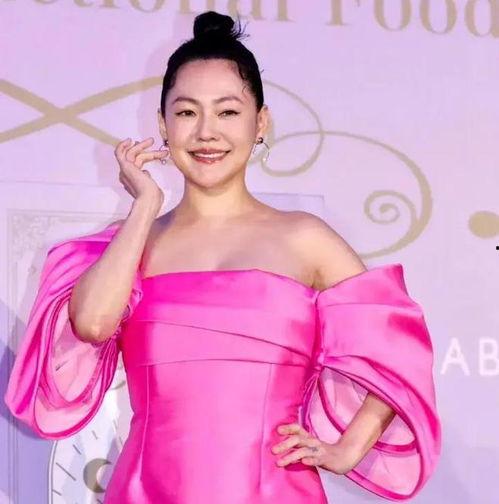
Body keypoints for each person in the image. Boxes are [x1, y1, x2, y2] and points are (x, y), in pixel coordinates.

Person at [4, 10, 441, 504]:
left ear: (261, 122)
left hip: (276, 491)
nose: (206, 132)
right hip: (148, 491)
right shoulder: (129, 246)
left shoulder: (304, 239)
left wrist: (349, 447)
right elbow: (91, 324)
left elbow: (395, 348)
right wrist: (144, 206)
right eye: (187, 113)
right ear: (162, 124)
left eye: (228, 112)